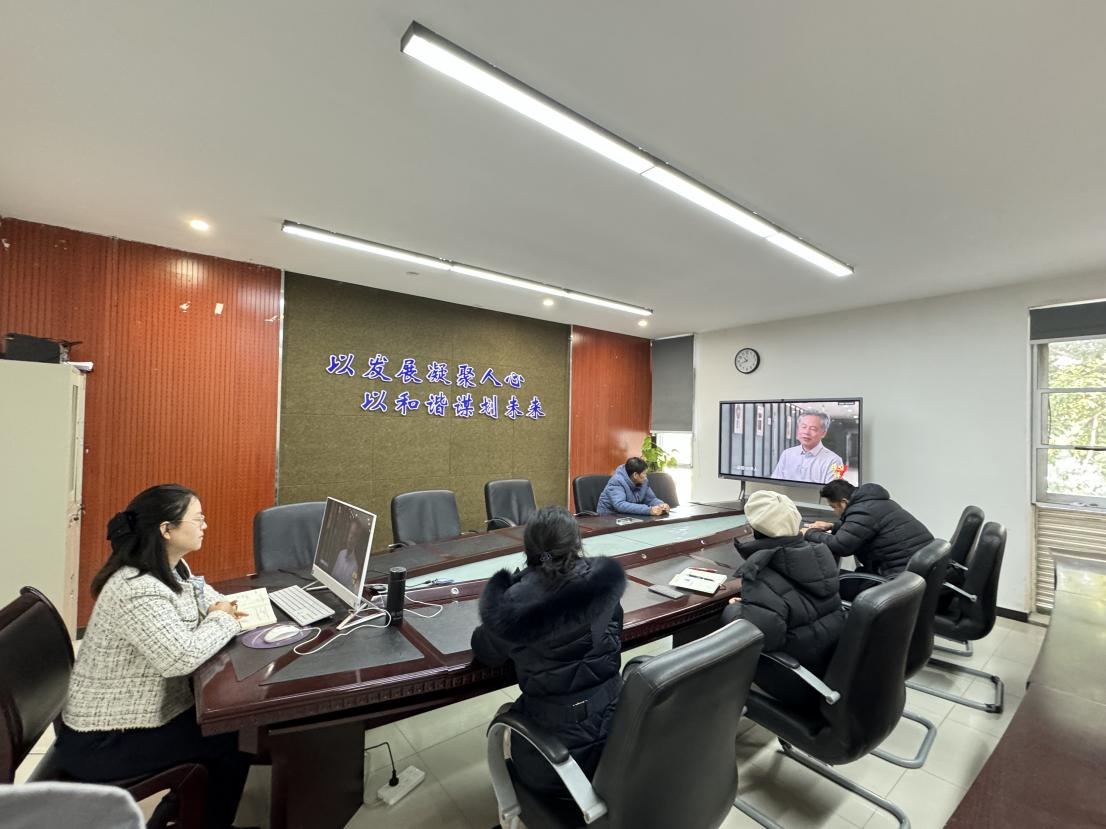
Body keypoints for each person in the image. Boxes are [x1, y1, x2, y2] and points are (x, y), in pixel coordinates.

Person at [53, 484, 255, 829]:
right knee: (231, 735)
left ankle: (186, 809)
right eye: (198, 519)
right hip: (104, 741)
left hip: (129, 722)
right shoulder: (138, 587)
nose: (205, 525)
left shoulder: (172, 567)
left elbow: (204, 597)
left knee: (227, 724)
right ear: (166, 530)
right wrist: (224, 620)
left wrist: (225, 610)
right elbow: (180, 658)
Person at [471, 506, 626, 795]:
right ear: (576, 543)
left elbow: (485, 651)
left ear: (528, 548)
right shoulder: (604, 583)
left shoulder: (514, 603)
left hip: (555, 761)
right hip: (617, 741)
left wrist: (515, 588)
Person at [722, 490, 844, 705]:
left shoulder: (761, 571)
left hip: (798, 680)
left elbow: (762, 639)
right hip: (832, 666)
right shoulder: (821, 553)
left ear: (755, 528)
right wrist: (757, 607)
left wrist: (735, 611)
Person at [803, 480, 934, 577]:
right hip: (918, 574)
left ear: (844, 502)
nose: (833, 511)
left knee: (828, 587)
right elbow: (865, 527)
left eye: (833, 507)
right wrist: (832, 526)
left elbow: (841, 546)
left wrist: (808, 532)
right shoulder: (876, 502)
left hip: (896, 579)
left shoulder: (862, 511)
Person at [769, 411, 845, 484]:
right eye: (803, 427)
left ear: (823, 433)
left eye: (813, 429)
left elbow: (835, 490)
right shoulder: (787, 454)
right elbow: (775, 483)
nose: (806, 432)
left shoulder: (836, 461)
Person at [596, 456, 669, 516]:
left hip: (628, 515)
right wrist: (648, 510)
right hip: (609, 516)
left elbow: (651, 499)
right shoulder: (617, 481)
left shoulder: (644, 481)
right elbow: (620, 505)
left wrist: (661, 505)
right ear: (635, 475)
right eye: (644, 473)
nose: (646, 476)